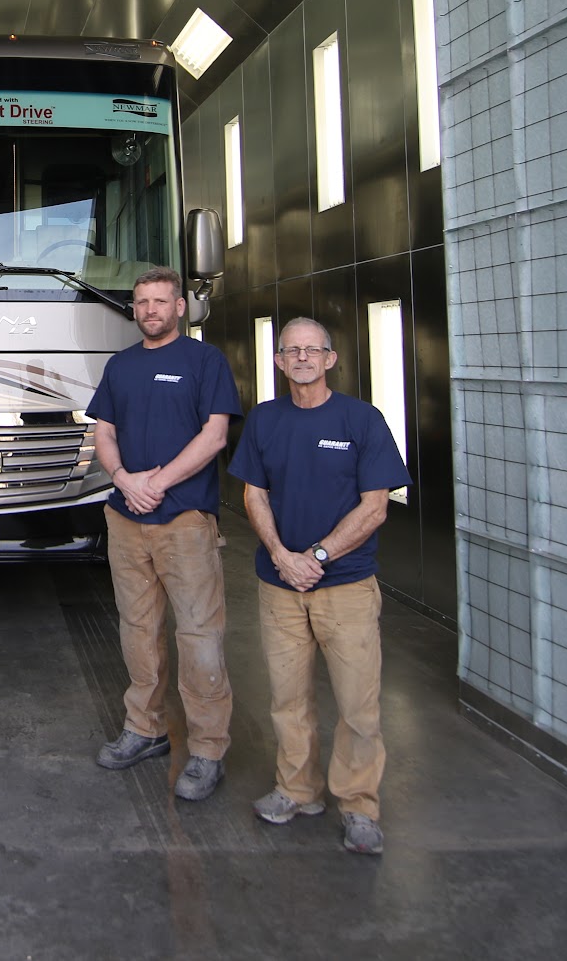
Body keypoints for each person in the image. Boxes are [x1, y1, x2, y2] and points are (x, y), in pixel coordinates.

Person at [228, 316, 410, 856]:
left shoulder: (362, 419)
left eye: (312, 349)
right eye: (292, 350)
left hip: (346, 586)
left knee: (358, 705)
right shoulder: (265, 419)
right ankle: (296, 790)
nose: (302, 357)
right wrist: (282, 556)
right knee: (288, 699)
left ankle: (359, 806)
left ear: (330, 358)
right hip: (279, 586)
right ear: (279, 361)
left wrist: (318, 557)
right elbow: (253, 494)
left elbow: (375, 507)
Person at [86, 266, 241, 801]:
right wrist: (124, 479)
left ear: (179, 307)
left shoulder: (205, 361)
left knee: (199, 635)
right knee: (138, 628)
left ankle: (208, 748)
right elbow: (104, 432)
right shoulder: (121, 365)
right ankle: (145, 729)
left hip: (184, 521)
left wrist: (157, 482)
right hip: (127, 518)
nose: (149, 310)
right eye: (141, 302)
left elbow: (215, 435)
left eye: (159, 301)